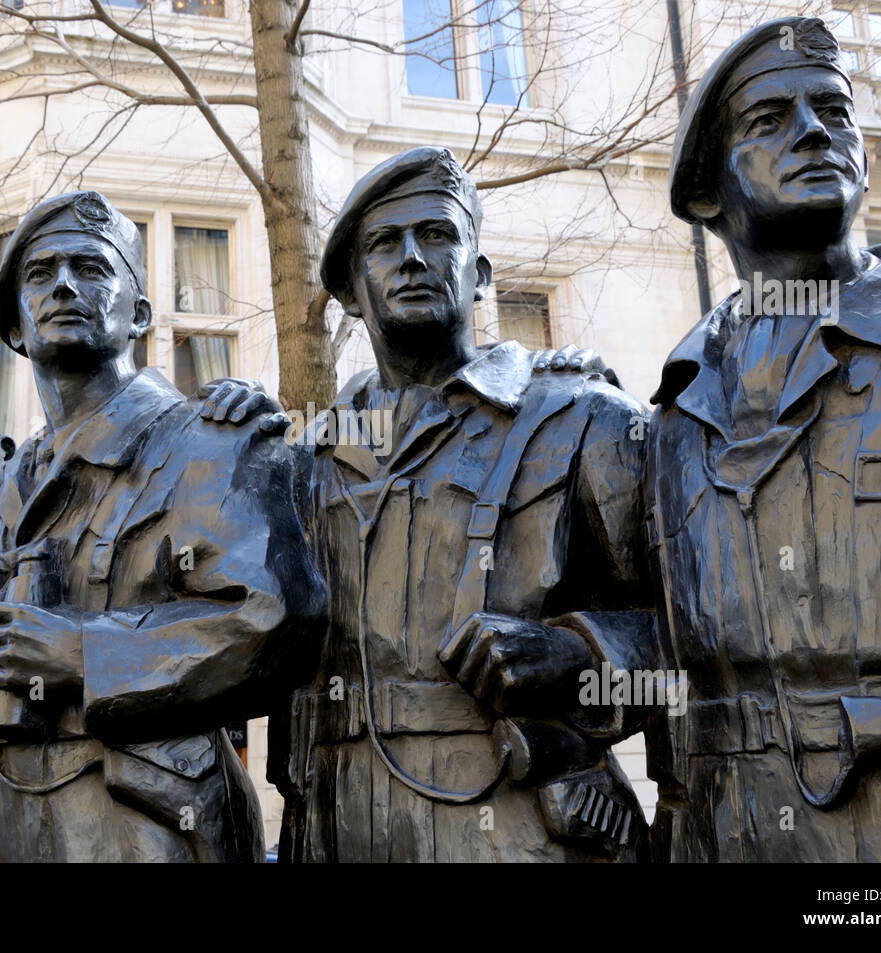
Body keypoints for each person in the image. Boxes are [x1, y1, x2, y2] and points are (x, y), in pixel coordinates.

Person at [647, 16, 881, 862]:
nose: (814, 131)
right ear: (707, 196)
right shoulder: (676, 410)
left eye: (834, 113)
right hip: (725, 831)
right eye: (771, 121)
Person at [0, 189, 325, 861]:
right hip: (5, 823)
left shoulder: (210, 441)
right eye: (40, 274)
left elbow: (274, 622)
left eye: (92, 267)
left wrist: (82, 651)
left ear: (138, 315)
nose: (65, 285)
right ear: (15, 328)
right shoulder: (17, 486)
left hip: (148, 825)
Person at [276, 147, 657, 862]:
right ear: (353, 292)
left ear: (480, 273)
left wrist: (576, 655)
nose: (412, 258)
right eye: (385, 244)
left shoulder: (583, 419)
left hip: (515, 822)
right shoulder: (309, 458)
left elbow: (694, 638)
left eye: (438, 235)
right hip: (344, 818)